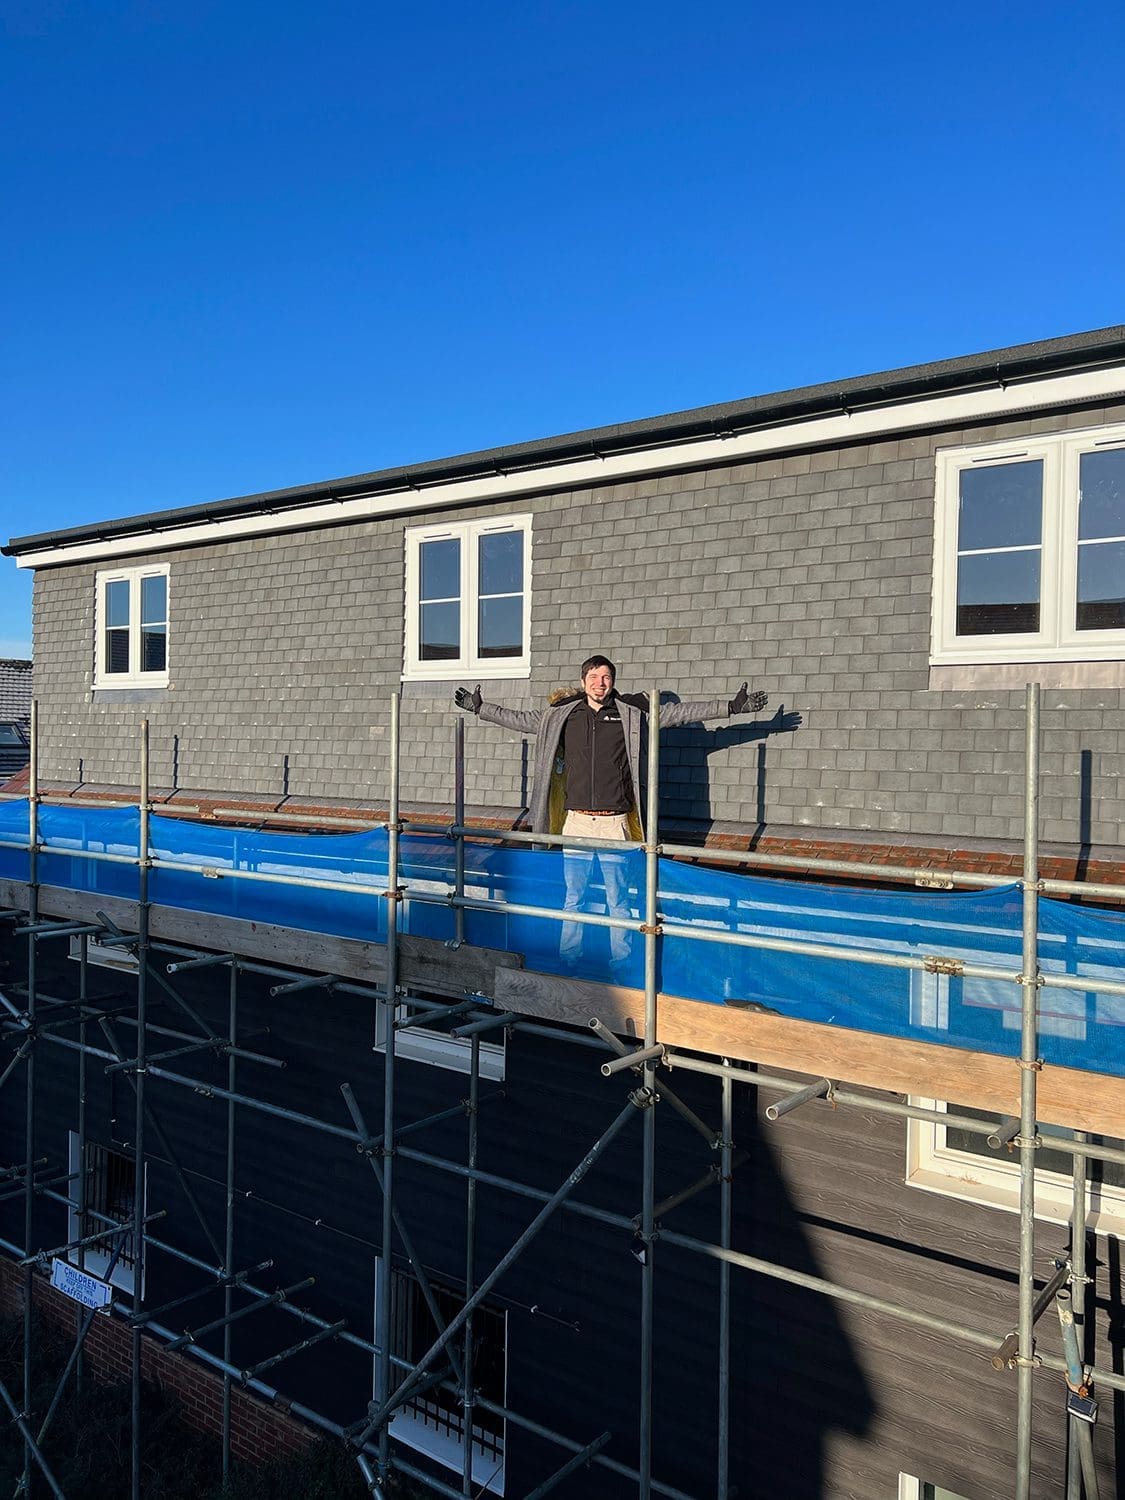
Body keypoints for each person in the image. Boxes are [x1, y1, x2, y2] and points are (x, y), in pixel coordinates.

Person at [454, 655, 767, 969]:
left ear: (613, 681)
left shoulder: (630, 713)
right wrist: (481, 708)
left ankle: (621, 959)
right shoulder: (564, 714)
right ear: (582, 681)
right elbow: (521, 719)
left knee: (618, 898)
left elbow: (677, 713)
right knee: (574, 896)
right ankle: (570, 958)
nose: (599, 683)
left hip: (614, 823)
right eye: (593, 676)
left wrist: (731, 707)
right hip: (576, 821)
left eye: (605, 677)